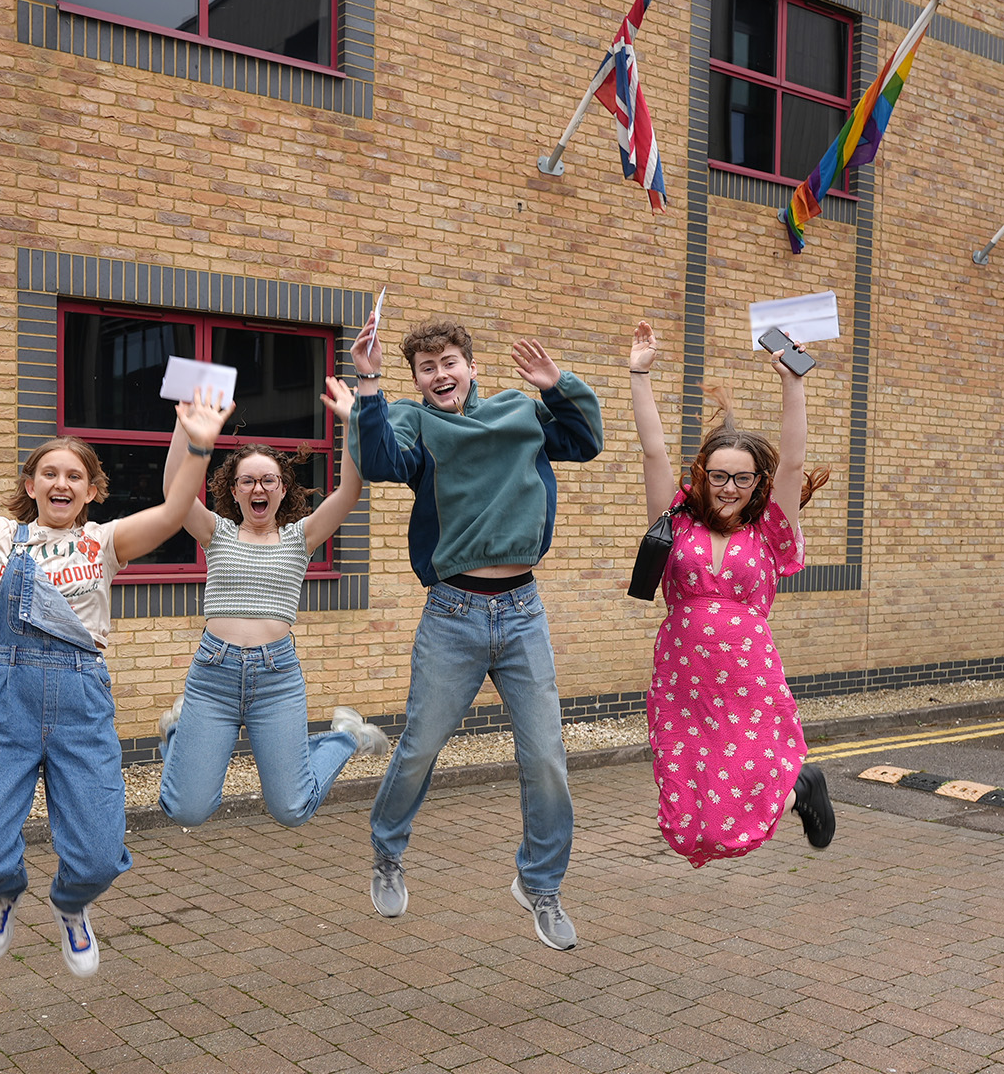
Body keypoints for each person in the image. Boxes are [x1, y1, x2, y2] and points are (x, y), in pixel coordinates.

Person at [0, 388, 233, 976]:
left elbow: (172, 509)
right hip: (6, 700)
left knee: (101, 857)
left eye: (75, 475)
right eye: (49, 473)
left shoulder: (103, 542)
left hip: (81, 701)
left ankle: (72, 907)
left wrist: (200, 444)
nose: (62, 482)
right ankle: (2, 892)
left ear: (90, 491)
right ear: (30, 485)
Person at [349, 316, 603, 951]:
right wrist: (370, 385)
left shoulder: (520, 410)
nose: (440, 374)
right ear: (417, 379)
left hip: (522, 613)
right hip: (453, 615)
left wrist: (557, 385)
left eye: (450, 362)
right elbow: (380, 459)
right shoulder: (414, 422)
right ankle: (387, 854)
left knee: (546, 757)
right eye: (426, 368)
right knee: (419, 747)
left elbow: (585, 441)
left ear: (470, 365)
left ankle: (541, 885)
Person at [626, 319, 835, 866]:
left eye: (742, 479)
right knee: (688, 781)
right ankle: (796, 792)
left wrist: (794, 384)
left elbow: (792, 461)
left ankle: (800, 789)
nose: (729, 488)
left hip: (747, 668)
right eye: (719, 476)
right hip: (682, 669)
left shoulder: (768, 528)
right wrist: (639, 375)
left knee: (750, 768)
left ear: (756, 485)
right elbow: (652, 454)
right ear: (701, 475)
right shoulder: (675, 520)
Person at [154, 366, 388, 828]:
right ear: (233, 490)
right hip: (213, 676)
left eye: (268, 480)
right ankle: (182, 730)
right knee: (186, 809)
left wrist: (351, 425)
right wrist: (186, 428)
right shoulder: (216, 533)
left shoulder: (301, 538)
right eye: (247, 481)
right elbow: (171, 492)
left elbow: (349, 491)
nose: (258, 488)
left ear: (283, 488)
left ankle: (344, 737)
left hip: (276, 679)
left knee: (291, 809)